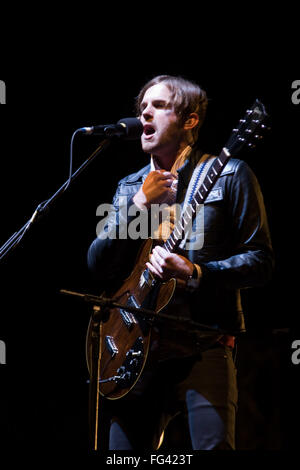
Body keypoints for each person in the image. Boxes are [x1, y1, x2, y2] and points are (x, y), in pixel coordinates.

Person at [87, 75, 274, 450]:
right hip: (135, 351)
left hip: (202, 344)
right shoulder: (129, 186)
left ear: (189, 121)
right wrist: (140, 202)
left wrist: (196, 273)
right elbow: (98, 262)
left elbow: (262, 261)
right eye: (142, 108)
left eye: (158, 106)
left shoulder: (229, 174)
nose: (144, 114)